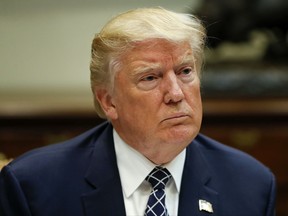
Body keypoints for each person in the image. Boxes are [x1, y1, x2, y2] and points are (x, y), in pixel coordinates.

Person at [0, 7, 276, 216]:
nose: (176, 94)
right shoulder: (33, 186)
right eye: (150, 78)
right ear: (109, 101)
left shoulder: (251, 185)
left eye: (185, 72)